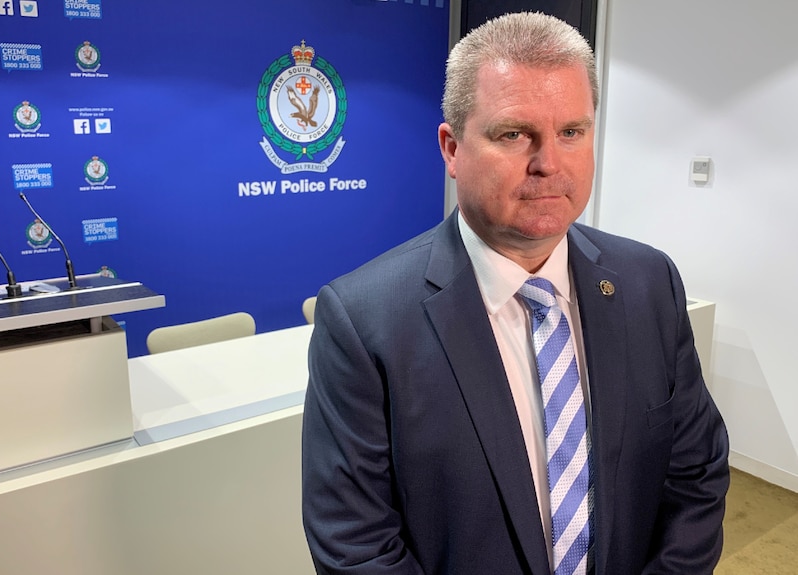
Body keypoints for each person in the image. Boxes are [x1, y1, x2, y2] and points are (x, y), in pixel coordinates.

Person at [301, 11, 729, 575]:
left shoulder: (650, 284)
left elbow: (695, 477)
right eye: (514, 134)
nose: (549, 163)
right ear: (452, 149)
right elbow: (356, 545)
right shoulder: (363, 322)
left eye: (571, 132)